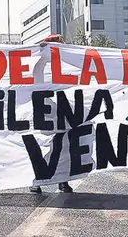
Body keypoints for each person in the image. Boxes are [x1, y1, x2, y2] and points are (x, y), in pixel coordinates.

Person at [27, 33, 74, 194]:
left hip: (62, 107)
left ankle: (61, 181)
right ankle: (38, 180)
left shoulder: (66, 61)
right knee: (43, 145)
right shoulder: (39, 62)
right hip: (44, 108)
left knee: (63, 146)